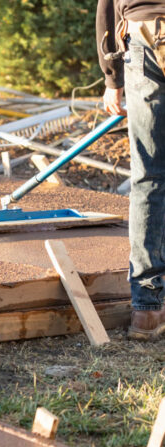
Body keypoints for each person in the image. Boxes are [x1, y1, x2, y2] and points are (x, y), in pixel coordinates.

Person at [97, 1, 165, 340]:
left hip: (141, 36)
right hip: (142, 34)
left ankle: (147, 311)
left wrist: (112, 74)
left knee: (148, 177)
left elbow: (107, 5)